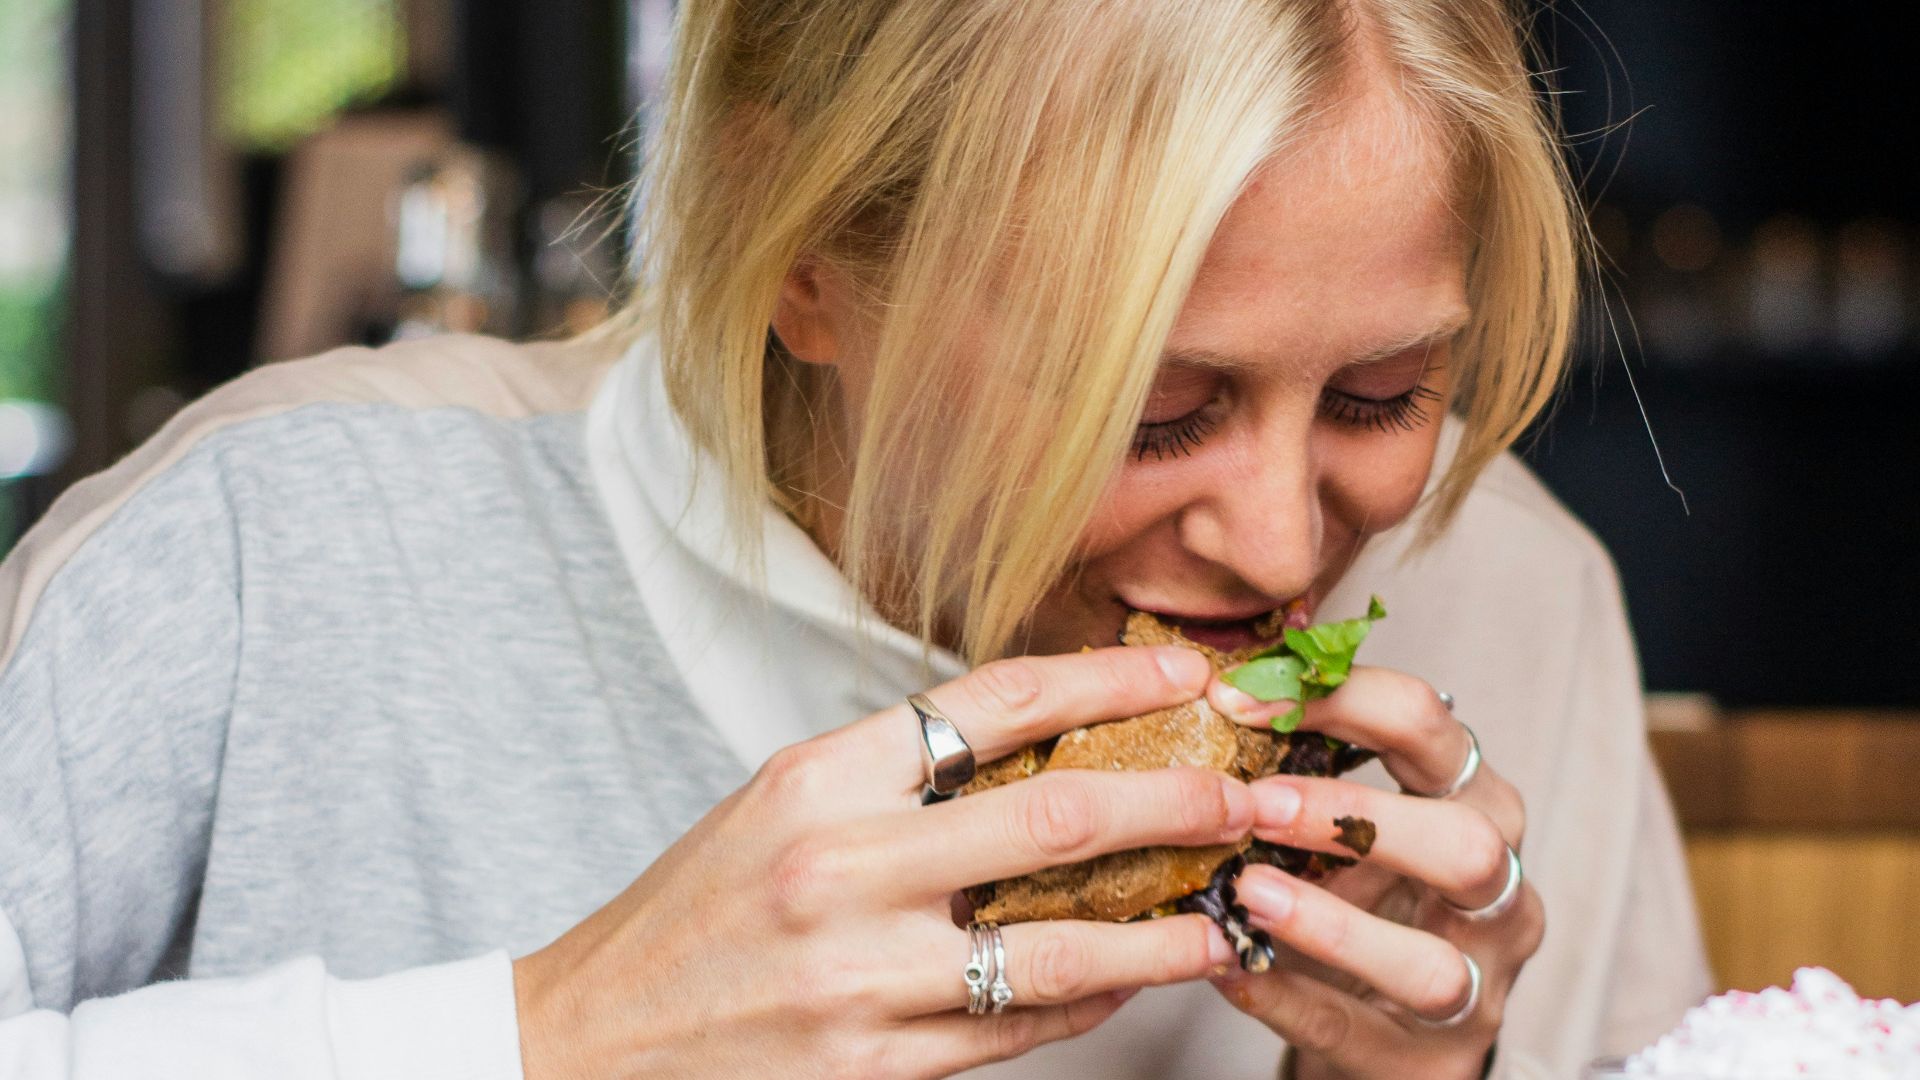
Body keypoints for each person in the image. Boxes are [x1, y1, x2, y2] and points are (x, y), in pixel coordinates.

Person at [0, 0, 1710, 1077]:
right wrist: (546, 1039)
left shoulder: (1518, 601)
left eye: (1383, 397)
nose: (1279, 547)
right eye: (1147, 407)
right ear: (800, 251)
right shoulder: (266, 551)